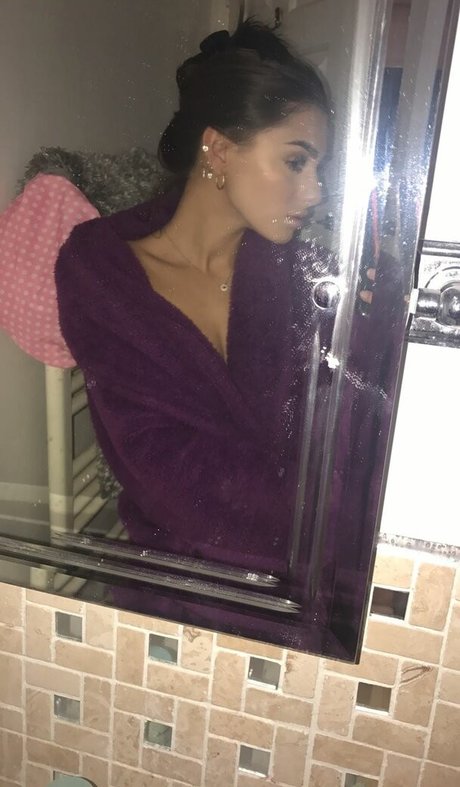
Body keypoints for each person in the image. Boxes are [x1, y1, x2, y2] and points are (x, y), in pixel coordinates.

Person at [55, 19, 335, 575]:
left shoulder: (305, 280)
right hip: (184, 580)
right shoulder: (104, 280)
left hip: (311, 570)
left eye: (318, 168)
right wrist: (321, 534)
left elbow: (345, 431)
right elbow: (161, 471)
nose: (315, 192)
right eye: (296, 161)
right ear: (219, 149)